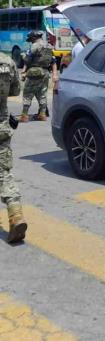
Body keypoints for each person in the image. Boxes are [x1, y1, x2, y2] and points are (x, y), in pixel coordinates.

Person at [0, 51, 26, 243]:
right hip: (1, 126)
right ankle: (16, 214)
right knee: (4, 172)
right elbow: (16, 90)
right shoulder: (7, 61)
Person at [20, 31, 57, 123]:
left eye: (31, 39)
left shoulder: (35, 46)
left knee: (27, 94)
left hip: (34, 72)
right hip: (45, 73)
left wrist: (23, 56)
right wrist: (54, 74)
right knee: (42, 94)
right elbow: (53, 61)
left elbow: (27, 60)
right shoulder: (48, 46)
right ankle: (42, 114)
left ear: (33, 38)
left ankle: (24, 115)